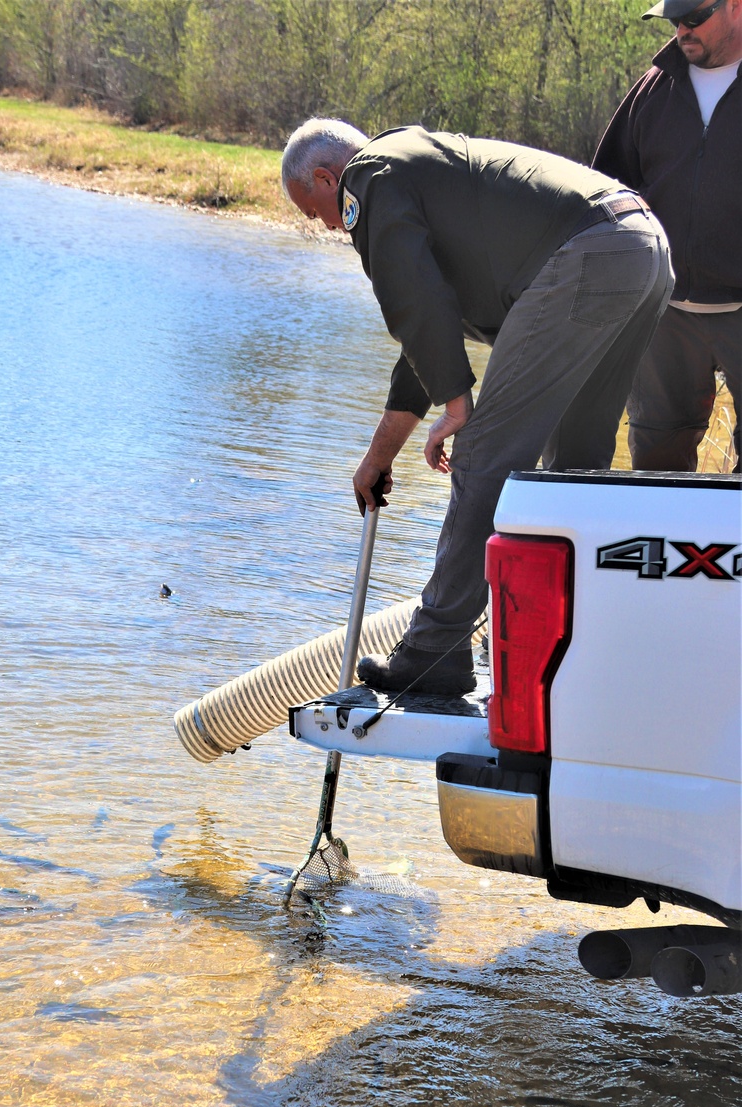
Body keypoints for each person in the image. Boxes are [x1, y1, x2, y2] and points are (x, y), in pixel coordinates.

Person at [281, 120, 674, 697]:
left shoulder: (369, 177)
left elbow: (412, 303)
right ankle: (574, 648)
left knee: (484, 456)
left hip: (589, 254)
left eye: (317, 211)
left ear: (326, 176)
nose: (330, 225)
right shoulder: (423, 177)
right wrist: (379, 456)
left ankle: (435, 651)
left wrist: (460, 407)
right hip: (642, 249)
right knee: (572, 472)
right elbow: (427, 334)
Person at [593, 0, 741, 471]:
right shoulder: (652, 92)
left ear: (735, 7)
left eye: (694, 18)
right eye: (674, 20)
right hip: (665, 313)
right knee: (657, 460)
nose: (681, 30)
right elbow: (605, 194)